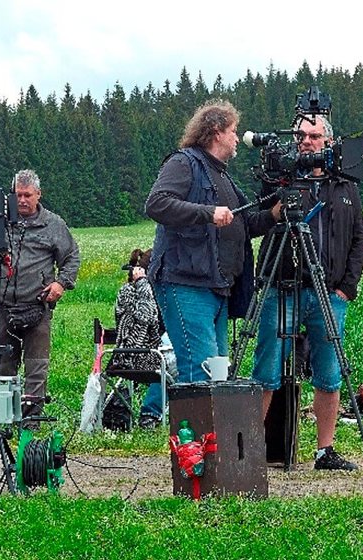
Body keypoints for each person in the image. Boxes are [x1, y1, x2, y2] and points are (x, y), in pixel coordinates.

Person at [145, 100, 280, 421]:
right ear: (216, 132)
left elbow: (245, 225)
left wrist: (275, 215)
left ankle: (211, 456)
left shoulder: (223, 178)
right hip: (185, 283)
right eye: (233, 132)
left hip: (218, 288)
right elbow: (157, 204)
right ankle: (195, 460)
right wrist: (207, 213)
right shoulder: (184, 163)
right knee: (199, 370)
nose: (237, 139)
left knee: (216, 373)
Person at [250, 113, 363, 472]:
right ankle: (251, 450)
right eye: (300, 135)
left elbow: (359, 240)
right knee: (266, 371)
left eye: (314, 136)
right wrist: (277, 205)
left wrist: (347, 287)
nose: (306, 142)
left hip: (329, 293)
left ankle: (324, 451)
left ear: (329, 141)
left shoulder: (345, 187)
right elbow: (254, 223)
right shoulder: (280, 180)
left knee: (329, 375)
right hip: (281, 288)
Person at [0, 169, 81, 423]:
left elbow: (71, 257)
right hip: (2, 307)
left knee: (36, 365)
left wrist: (61, 284)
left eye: (27, 195)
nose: (22, 200)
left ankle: (32, 418)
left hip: (37, 306)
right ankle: (3, 416)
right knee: (3, 363)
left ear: (38, 195)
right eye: (17, 195)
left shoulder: (53, 225)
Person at [113, 248, 170, 429]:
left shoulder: (162, 294)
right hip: (135, 355)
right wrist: (143, 284)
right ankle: (150, 414)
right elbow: (145, 316)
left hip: (151, 354)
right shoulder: (129, 291)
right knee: (169, 364)